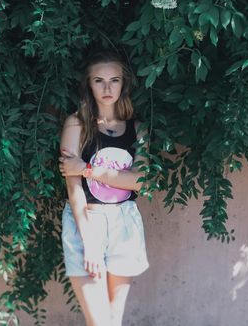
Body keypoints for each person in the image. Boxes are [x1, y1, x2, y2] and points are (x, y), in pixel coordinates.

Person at [58, 50, 149, 326]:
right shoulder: (77, 124)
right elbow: (74, 191)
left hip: (125, 221)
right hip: (87, 221)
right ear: (88, 84)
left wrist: (87, 168)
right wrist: (91, 246)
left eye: (114, 80)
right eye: (99, 80)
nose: (108, 88)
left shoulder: (138, 129)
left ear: (124, 84)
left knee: (113, 320)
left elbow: (140, 180)